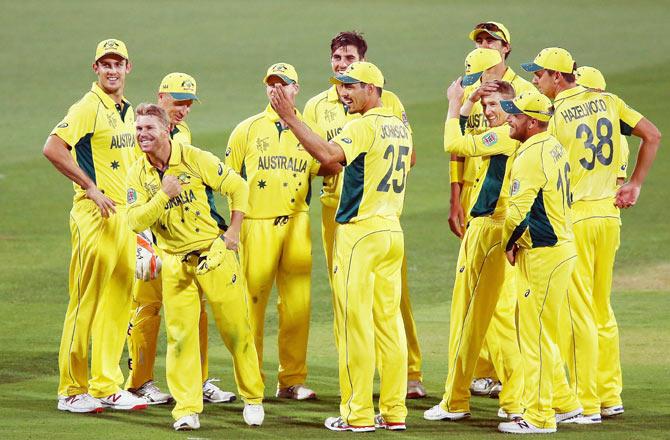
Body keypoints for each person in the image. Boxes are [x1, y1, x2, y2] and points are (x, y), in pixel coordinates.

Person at [271, 60, 412, 432]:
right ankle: (395, 411)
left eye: (351, 86)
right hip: (391, 231)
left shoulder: (363, 126)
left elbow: (329, 156)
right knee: (389, 325)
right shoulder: (400, 125)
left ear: (371, 89)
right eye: (341, 86)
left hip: (359, 234)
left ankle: (358, 414)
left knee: (355, 327)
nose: (344, 93)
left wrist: (291, 118)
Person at [523, 48, 661, 420]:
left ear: (556, 76)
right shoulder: (609, 101)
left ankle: (586, 403)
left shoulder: (555, 116)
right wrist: (635, 184)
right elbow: (652, 134)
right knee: (601, 309)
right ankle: (609, 393)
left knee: (578, 312)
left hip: (576, 218)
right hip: (609, 216)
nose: (536, 80)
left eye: (539, 75)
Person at [303, 30, 426, 399]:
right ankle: (382, 395)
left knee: (375, 304)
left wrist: (349, 161)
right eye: (337, 60)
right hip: (345, 214)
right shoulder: (317, 105)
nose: (342, 69)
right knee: (356, 305)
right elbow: (314, 164)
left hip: (364, 218)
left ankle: (386, 387)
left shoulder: (382, 107)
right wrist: (337, 165)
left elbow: (328, 155)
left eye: (349, 61)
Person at [127, 103, 265, 430]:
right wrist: (162, 196)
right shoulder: (137, 172)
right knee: (180, 338)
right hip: (175, 263)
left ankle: (253, 398)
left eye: (148, 128)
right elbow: (134, 219)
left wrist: (233, 231)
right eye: (138, 128)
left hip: (212, 254)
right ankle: (187, 409)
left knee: (235, 331)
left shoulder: (193, 157)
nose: (142, 134)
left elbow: (238, 186)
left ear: (165, 131)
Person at [43, 38, 148, 413]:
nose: (112, 70)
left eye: (118, 63)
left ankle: (105, 384)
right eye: (105, 64)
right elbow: (53, 146)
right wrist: (90, 187)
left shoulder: (127, 110)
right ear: (96, 69)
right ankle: (71, 389)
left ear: (128, 68)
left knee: (119, 301)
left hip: (123, 216)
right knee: (85, 301)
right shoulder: (88, 106)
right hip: (95, 215)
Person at [225, 63, 336, 400]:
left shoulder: (308, 129)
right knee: (252, 306)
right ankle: (250, 382)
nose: (277, 90)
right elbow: (228, 179)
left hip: (297, 223)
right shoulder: (246, 130)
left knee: (297, 306)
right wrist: (234, 226)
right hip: (256, 225)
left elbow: (329, 164)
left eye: (283, 84)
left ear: (296, 89)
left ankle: (292, 380)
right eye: (271, 85)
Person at [423, 52, 522, 422]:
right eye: (487, 104)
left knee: (494, 323)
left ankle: (516, 401)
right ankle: (456, 400)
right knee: (467, 319)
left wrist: (453, 104)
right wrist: (468, 102)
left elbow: (455, 143)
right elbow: (467, 134)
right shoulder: (508, 133)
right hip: (485, 230)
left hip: (493, 233)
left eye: (496, 104)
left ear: (512, 107)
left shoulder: (504, 135)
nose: (490, 111)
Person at [126, 73, 235, 405]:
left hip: (180, 240)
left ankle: (196, 380)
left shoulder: (181, 135)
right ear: (161, 97)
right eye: (177, 101)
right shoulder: (141, 135)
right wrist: (141, 245)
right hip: (147, 234)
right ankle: (139, 382)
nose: (183, 109)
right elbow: (134, 195)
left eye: (188, 103)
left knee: (194, 309)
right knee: (147, 307)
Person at [456, 21, 535, 398]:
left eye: (492, 41)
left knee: (501, 301)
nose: (485, 45)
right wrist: (455, 196)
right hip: (477, 197)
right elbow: (461, 146)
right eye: (480, 40)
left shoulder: (522, 92)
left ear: (506, 49)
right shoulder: (470, 88)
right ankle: (486, 372)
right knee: (480, 296)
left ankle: (515, 385)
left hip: (505, 205)